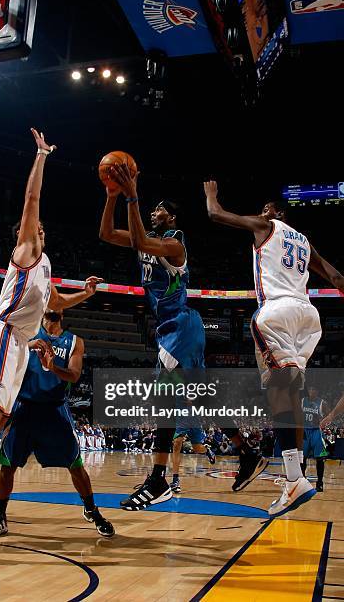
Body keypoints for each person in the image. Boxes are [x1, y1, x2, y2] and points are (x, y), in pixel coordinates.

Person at [0, 128, 103, 536]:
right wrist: (41, 156)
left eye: (40, 229)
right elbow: (31, 200)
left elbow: (56, 303)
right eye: (32, 227)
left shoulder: (46, 265)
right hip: (2, 335)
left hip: (19, 344)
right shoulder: (26, 252)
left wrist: (85, 295)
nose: (38, 230)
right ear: (24, 232)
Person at [204, 180, 344, 517]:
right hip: (308, 318)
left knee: (279, 393)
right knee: (291, 394)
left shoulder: (267, 226)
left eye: (266, 209)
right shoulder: (305, 242)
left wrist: (211, 193)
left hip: (277, 311)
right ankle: (295, 478)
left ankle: (294, 478)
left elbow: (216, 214)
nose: (260, 213)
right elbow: (337, 277)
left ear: (276, 213)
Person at [99, 163, 207, 510]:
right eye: (153, 207)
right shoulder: (148, 243)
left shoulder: (174, 244)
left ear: (172, 219)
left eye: (160, 209)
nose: (154, 211)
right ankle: (248, 454)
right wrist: (112, 197)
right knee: (191, 399)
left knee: (166, 395)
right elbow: (105, 234)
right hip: (170, 329)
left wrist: (132, 195)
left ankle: (159, 479)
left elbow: (141, 239)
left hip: (182, 324)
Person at [0, 309, 114, 538]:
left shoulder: (74, 341)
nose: (53, 307)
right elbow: (4, 353)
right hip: (24, 407)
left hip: (55, 408)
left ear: (64, 309)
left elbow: (75, 375)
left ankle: (91, 509)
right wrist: (28, 345)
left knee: (75, 465)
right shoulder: (27, 333)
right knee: (8, 465)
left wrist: (52, 366)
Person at [301, 386, 328, 492]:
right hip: (305, 431)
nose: (312, 391)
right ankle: (302, 482)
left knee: (320, 459)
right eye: (310, 389)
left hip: (316, 431)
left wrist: (324, 422)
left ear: (317, 391)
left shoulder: (322, 403)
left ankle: (320, 483)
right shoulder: (302, 401)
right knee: (302, 458)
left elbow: (329, 415)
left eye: (314, 389)